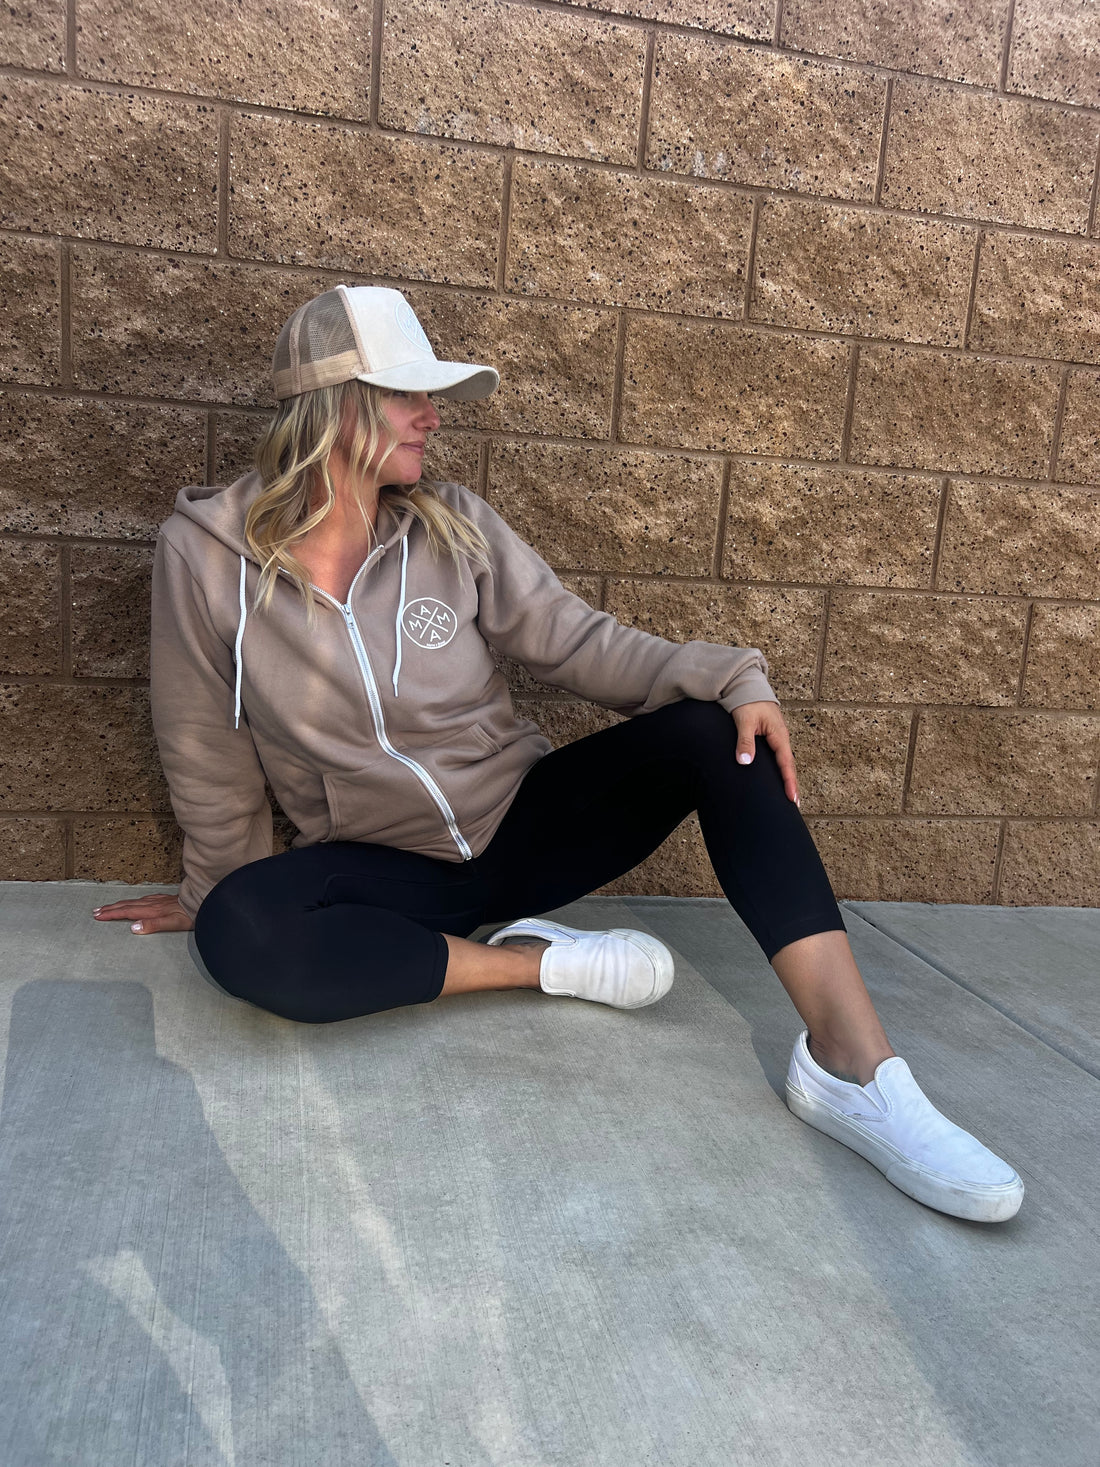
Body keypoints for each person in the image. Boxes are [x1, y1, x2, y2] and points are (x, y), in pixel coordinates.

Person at [93, 285, 1023, 1224]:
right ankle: (534, 963)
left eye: (432, 396)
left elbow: (580, 644)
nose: (433, 415)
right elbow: (203, 740)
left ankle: (853, 1066)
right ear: (335, 404)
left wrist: (733, 674)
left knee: (716, 734)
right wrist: (213, 885)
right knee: (235, 932)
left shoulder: (451, 526)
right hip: (382, 869)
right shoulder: (205, 557)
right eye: (408, 393)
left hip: (521, 825)